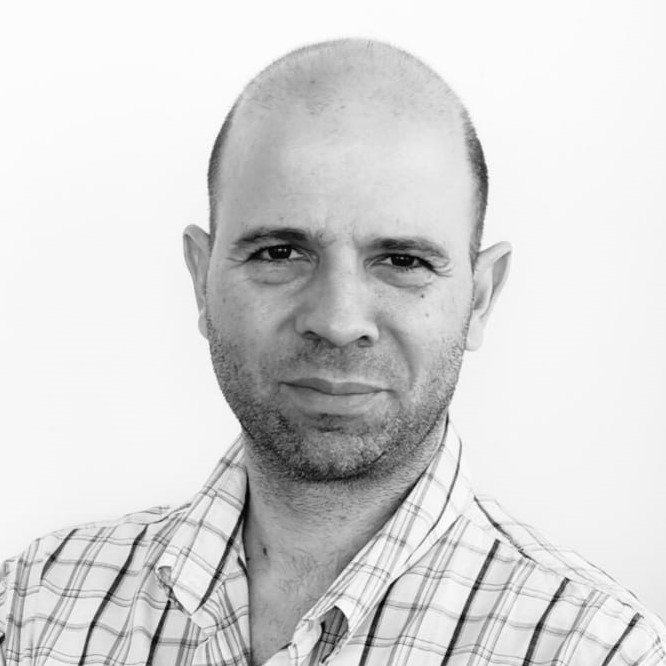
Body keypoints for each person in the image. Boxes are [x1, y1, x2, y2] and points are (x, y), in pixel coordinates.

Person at [1, 38, 664, 666]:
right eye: (280, 253)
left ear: (481, 297)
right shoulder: (35, 605)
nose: (339, 321)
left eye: (403, 260)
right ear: (201, 281)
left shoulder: (598, 649)